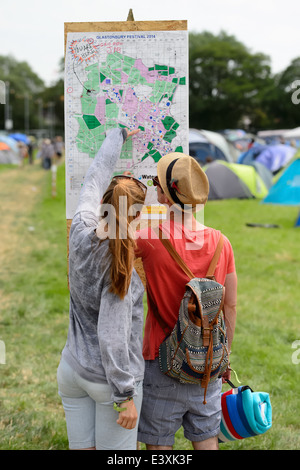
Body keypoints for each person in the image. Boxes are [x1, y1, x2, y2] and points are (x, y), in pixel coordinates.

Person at [135, 152, 237, 451]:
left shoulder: (148, 238)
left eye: (157, 183)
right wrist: (223, 356)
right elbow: (229, 306)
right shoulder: (222, 242)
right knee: (207, 441)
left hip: (161, 362)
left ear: (165, 196)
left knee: (159, 448)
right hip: (207, 365)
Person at [57, 128, 146, 450]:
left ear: (104, 202)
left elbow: (95, 176)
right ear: (137, 215)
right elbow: (111, 336)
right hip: (108, 383)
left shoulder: (80, 227)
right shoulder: (121, 271)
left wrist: (117, 134)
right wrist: (125, 396)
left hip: (71, 369)